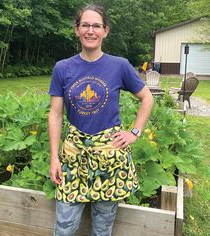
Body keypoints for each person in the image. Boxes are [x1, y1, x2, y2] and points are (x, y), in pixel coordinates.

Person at [48, 4, 154, 236]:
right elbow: (55, 114)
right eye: (85, 25)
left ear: (106, 31)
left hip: (110, 156)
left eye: (97, 26)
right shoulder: (63, 68)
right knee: (64, 227)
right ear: (76, 29)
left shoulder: (119, 66)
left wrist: (134, 132)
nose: (90, 30)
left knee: (102, 228)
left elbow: (147, 98)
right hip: (73, 157)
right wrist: (54, 158)